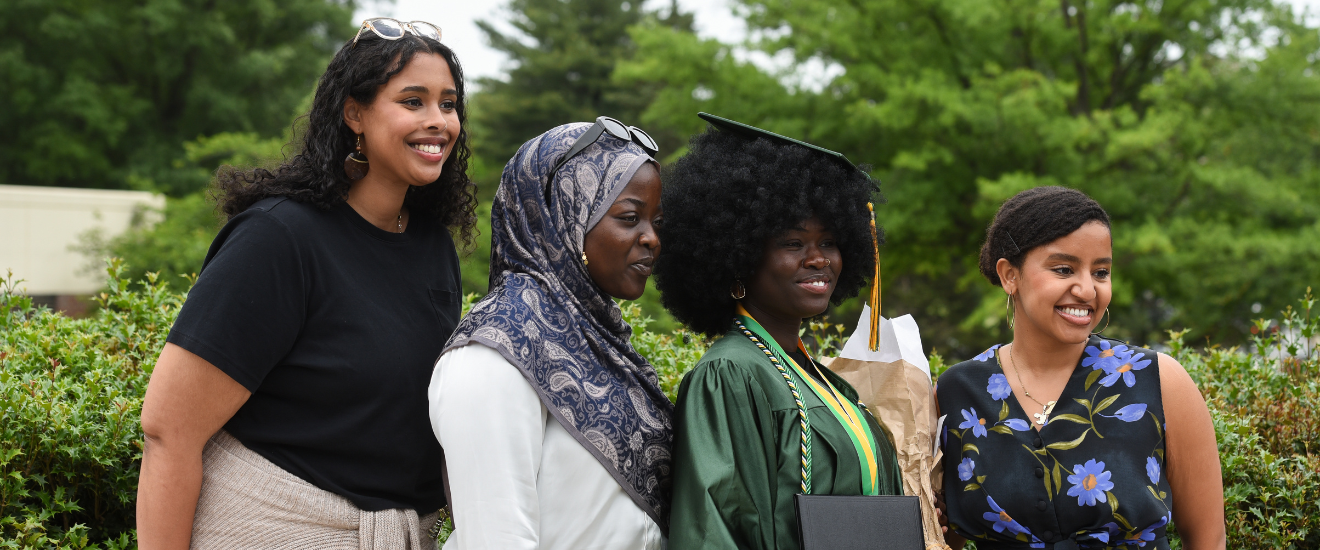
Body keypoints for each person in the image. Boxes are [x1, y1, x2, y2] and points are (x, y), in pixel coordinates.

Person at [137, 18, 475, 549]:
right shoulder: (279, 239)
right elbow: (167, 431)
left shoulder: (432, 246)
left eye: (448, 104)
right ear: (354, 113)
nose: (438, 121)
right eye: (413, 101)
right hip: (275, 531)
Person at [656, 113, 904, 550]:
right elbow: (713, 532)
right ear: (738, 257)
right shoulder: (730, 376)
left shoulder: (825, 383)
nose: (818, 259)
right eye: (793, 243)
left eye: (828, 242)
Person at [428, 119, 672, 550]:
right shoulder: (495, 352)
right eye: (630, 217)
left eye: (656, 221)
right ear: (565, 216)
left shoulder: (601, 341)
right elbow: (496, 541)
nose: (651, 238)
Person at [936, 186, 1226, 549]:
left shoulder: (1159, 381)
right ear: (1010, 275)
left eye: (1101, 272)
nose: (1088, 290)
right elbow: (938, 540)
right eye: (1063, 269)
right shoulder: (957, 394)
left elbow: (1208, 540)